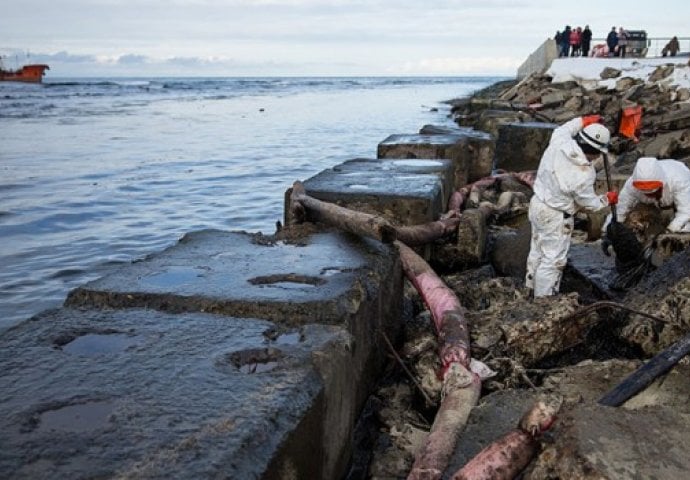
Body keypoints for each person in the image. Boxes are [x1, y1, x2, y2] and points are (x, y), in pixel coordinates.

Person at [525, 116, 617, 297]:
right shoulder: (584, 173)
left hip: (537, 203)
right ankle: (544, 301)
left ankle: (529, 287)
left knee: (537, 249)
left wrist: (583, 120)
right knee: (553, 260)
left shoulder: (560, 141)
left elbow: (565, 127)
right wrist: (607, 199)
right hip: (555, 215)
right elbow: (590, 204)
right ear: (596, 152)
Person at [605, 157, 690, 233]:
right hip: (653, 204)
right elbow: (620, 209)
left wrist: (671, 229)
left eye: (653, 191)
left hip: (682, 198)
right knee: (633, 220)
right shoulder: (631, 185)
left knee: (684, 229)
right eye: (645, 191)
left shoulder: (679, 180)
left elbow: (686, 211)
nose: (650, 194)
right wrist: (607, 230)